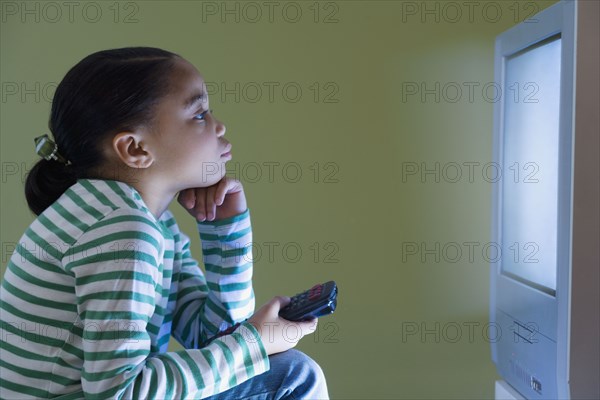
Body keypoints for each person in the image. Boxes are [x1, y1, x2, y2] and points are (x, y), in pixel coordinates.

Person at [0, 47, 329, 399]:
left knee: (288, 370)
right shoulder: (122, 230)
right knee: (294, 375)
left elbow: (212, 335)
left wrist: (227, 234)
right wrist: (255, 345)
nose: (219, 126)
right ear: (135, 149)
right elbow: (120, 392)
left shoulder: (148, 223)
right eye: (199, 114)